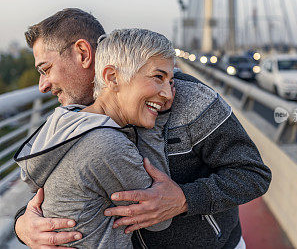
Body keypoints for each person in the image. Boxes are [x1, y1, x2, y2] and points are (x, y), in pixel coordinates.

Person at [15, 8, 272, 248]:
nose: (43, 85)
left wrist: (184, 199)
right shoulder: (75, 118)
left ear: (83, 53)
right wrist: (23, 226)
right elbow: (52, 186)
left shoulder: (191, 98)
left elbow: (252, 173)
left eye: (46, 69)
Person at [15, 28, 176, 248]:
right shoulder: (108, 146)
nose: (168, 94)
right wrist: (155, 126)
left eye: (171, 82)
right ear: (112, 77)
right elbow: (160, 219)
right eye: (159, 77)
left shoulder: (65, 122)